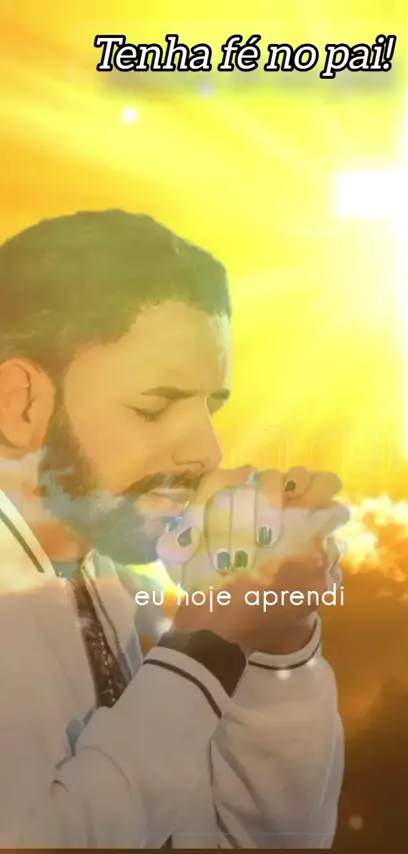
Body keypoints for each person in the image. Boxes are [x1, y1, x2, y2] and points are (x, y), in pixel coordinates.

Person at [0, 209, 348, 848]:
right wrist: (209, 642)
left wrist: (276, 643)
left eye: (210, 406)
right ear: (20, 403)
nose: (207, 451)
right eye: (155, 407)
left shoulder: (113, 585)